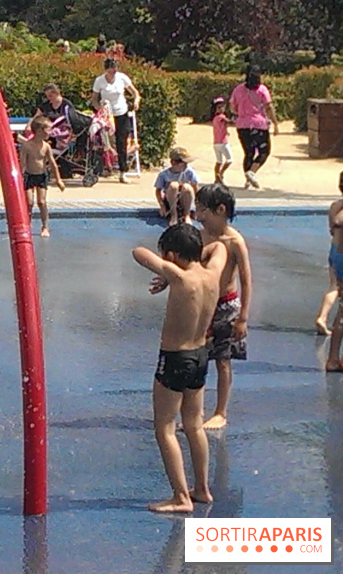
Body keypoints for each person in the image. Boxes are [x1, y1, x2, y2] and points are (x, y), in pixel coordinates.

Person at [133, 224, 227, 513]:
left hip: (174, 359)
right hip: (200, 355)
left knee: (164, 426)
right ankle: (201, 488)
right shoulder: (212, 274)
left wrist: (165, 271)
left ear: (172, 255)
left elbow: (138, 253)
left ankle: (180, 497)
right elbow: (219, 247)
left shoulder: (179, 277)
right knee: (194, 423)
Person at [194, 184, 252, 430]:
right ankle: (194, 411)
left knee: (223, 359)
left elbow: (247, 281)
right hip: (203, 304)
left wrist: (243, 318)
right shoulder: (199, 236)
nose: (198, 215)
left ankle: (220, 412)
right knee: (197, 357)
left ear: (221, 209)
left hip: (227, 306)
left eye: (203, 210)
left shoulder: (234, 241)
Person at [91, 58, 141, 184]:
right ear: (106, 69)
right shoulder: (99, 81)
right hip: (107, 115)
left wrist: (136, 101)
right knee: (105, 141)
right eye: (111, 70)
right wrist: (100, 109)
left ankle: (123, 172)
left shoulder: (122, 78)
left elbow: (135, 93)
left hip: (121, 112)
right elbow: (94, 100)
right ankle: (105, 166)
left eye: (115, 69)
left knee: (121, 142)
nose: (113, 72)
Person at [229, 64, 279, 190]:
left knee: (248, 152)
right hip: (259, 124)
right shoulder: (262, 89)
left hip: (242, 125)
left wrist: (241, 112)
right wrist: (275, 123)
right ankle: (252, 172)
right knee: (264, 151)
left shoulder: (238, 89)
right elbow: (268, 107)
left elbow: (232, 107)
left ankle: (248, 179)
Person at [20, 116, 65, 237]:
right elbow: (22, 163)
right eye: (49, 130)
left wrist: (58, 180)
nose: (51, 133)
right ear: (40, 130)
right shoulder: (27, 146)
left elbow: (53, 164)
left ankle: (45, 226)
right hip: (29, 175)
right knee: (29, 202)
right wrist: (19, 178)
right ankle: (27, 225)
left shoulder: (46, 146)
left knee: (41, 202)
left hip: (42, 176)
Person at [316, 173, 343, 335]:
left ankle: (323, 316)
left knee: (334, 286)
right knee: (338, 288)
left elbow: (332, 230)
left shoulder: (334, 206)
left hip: (334, 250)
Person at [154, 147, 200, 226]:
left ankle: (187, 215)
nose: (186, 166)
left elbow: (195, 188)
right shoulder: (164, 174)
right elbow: (158, 191)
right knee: (173, 185)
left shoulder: (189, 172)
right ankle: (173, 215)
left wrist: (198, 208)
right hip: (170, 201)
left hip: (185, 200)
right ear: (174, 163)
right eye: (183, 163)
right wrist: (162, 206)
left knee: (187, 187)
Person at [325, 174, 343, 371]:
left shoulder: (334, 206)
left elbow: (333, 229)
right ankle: (332, 359)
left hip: (336, 254)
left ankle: (335, 357)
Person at [211, 96, 233, 185]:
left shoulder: (214, 118)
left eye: (222, 107)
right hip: (223, 143)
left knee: (219, 162)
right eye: (219, 107)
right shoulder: (221, 117)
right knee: (229, 160)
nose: (221, 109)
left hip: (216, 143)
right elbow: (228, 121)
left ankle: (217, 178)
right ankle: (221, 174)